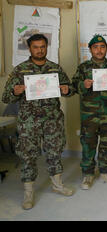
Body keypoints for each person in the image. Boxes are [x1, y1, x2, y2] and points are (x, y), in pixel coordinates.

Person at [2, 34, 75, 210]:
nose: (40, 50)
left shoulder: (54, 68)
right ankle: (28, 193)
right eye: (36, 47)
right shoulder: (20, 70)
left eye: (42, 46)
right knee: (28, 156)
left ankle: (57, 185)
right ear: (30, 48)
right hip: (29, 122)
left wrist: (66, 89)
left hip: (52, 120)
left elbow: (70, 89)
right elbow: (6, 97)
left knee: (54, 152)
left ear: (46, 47)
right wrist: (16, 91)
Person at [72, 35, 107, 189]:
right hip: (89, 116)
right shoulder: (83, 68)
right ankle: (87, 175)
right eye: (95, 47)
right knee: (88, 145)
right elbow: (72, 87)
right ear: (90, 49)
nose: (99, 50)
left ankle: (105, 171)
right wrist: (83, 84)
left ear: (106, 49)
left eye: (102, 47)